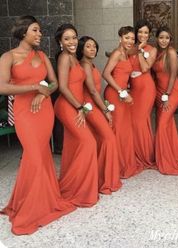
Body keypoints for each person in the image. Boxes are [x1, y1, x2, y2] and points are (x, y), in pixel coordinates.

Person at [0, 16, 75, 235]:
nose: (40, 34)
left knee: (41, 154)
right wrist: (35, 87)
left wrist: (42, 95)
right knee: (33, 154)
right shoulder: (8, 57)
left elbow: (53, 84)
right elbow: (2, 87)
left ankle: (45, 200)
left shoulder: (42, 55)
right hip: (24, 112)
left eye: (40, 30)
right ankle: (31, 206)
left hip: (43, 111)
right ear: (24, 32)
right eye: (36, 30)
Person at [54, 24, 98, 206]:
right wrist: (80, 107)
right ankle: (76, 189)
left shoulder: (74, 58)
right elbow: (63, 87)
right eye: (67, 39)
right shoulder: (64, 58)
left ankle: (74, 186)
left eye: (74, 37)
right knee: (89, 143)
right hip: (67, 106)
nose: (72, 42)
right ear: (60, 42)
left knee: (73, 146)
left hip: (77, 105)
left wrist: (83, 107)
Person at [77, 36, 122, 194]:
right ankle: (104, 180)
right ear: (81, 48)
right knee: (109, 138)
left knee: (101, 139)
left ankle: (100, 177)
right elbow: (93, 91)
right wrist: (106, 110)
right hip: (89, 106)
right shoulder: (85, 65)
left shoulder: (91, 64)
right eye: (88, 46)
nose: (92, 49)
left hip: (94, 104)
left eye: (94, 46)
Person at [152, 26, 178, 175]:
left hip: (170, 92)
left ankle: (167, 160)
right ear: (157, 38)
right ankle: (169, 154)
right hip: (159, 92)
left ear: (170, 40)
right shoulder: (157, 53)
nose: (164, 40)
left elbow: (173, 75)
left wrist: (167, 95)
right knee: (166, 124)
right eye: (161, 37)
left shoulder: (171, 52)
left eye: (167, 38)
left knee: (163, 124)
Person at [103, 26, 141, 178]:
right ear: (120, 38)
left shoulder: (126, 53)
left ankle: (123, 163)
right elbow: (105, 73)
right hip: (115, 94)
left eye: (132, 38)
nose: (130, 41)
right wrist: (121, 91)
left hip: (122, 94)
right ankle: (115, 167)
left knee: (124, 130)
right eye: (127, 38)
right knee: (117, 129)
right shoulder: (117, 53)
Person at [129, 19, 157, 169]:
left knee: (140, 120)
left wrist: (139, 50)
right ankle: (134, 152)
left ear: (149, 34)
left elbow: (145, 68)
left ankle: (145, 155)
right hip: (133, 88)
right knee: (133, 121)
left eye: (146, 32)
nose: (142, 35)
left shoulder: (152, 50)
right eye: (140, 32)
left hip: (146, 88)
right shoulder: (129, 47)